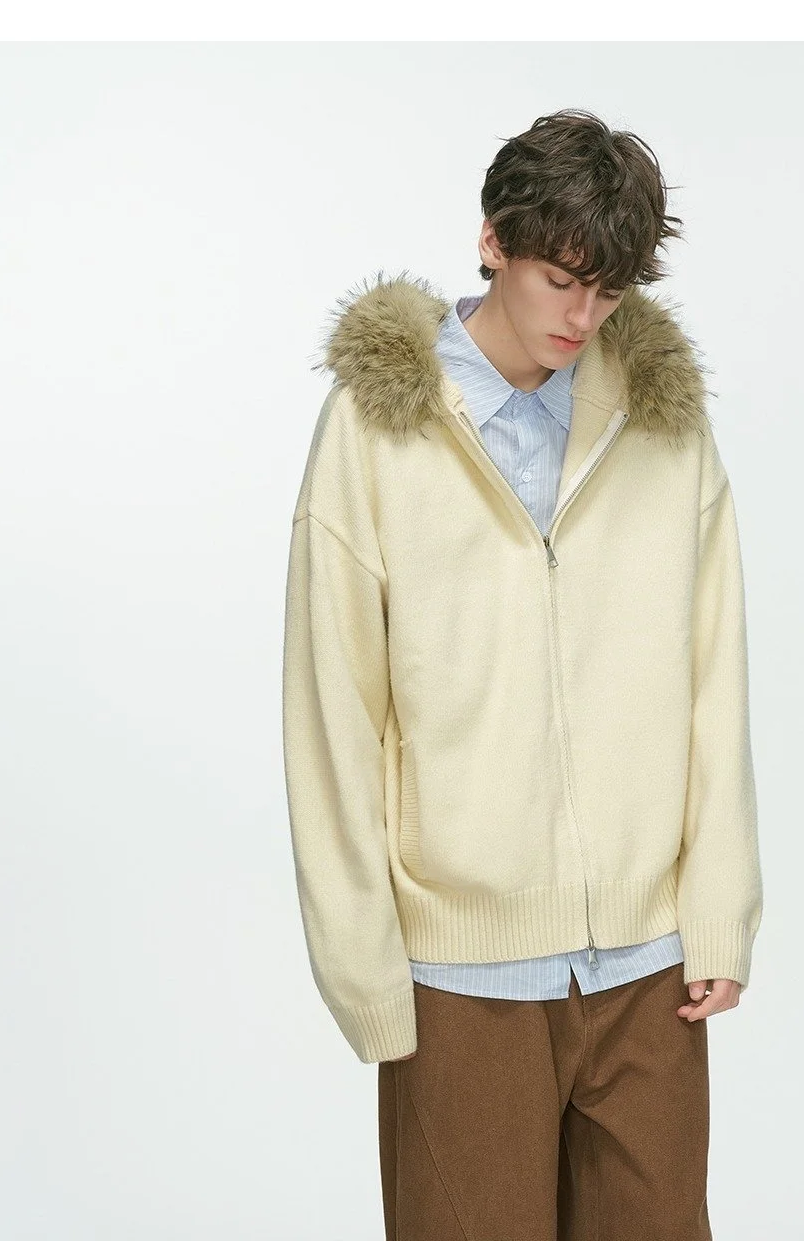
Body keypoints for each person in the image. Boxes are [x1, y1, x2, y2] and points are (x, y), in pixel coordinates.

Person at [282, 108, 763, 1240]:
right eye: (560, 281)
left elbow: (716, 674)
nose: (582, 319)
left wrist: (720, 908)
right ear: (494, 241)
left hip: (648, 968)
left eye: (608, 292)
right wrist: (362, 963)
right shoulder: (375, 431)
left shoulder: (660, 424)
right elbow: (331, 708)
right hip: (462, 977)